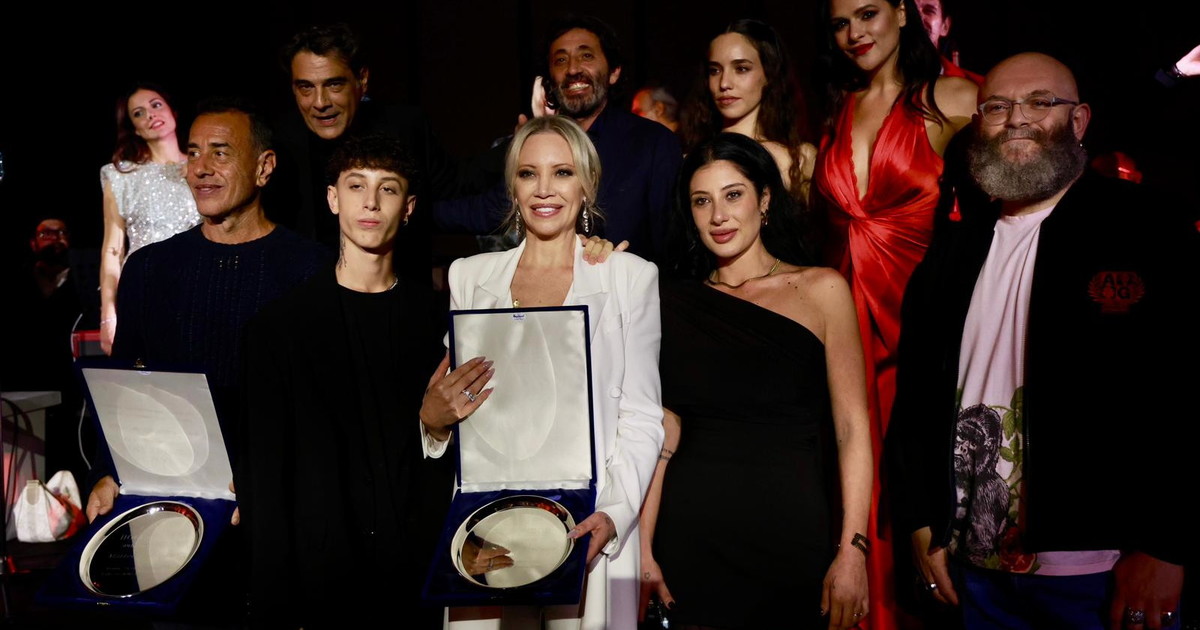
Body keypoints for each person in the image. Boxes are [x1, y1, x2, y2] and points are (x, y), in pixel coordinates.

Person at [888, 52, 1197, 630]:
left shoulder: (1148, 226)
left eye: (1040, 103)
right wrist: (920, 520)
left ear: (1078, 121)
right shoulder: (951, 253)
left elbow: (1189, 393)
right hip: (973, 572)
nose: (1017, 119)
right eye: (997, 106)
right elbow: (914, 402)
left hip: (1103, 572)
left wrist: (1167, 546)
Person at [420, 115, 664, 629]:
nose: (545, 188)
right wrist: (433, 424)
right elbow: (454, 401)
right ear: (513, 186)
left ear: (587, 185)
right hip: (488, 524)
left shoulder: (628, 278)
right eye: (529, 173)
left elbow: (643, 417)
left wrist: (615, 514)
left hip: (589, 520)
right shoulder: (471, 277)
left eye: (563, 172)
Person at [638, 133, 871, 629]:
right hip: (692, 537)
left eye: (733, 194)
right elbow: (664, 433)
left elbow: (852, 429)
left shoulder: (822, 289)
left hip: (791, 537)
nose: (718, 216)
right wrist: (643, 550)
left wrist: (854, 549)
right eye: (702, 201)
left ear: (764, 199)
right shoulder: (671, 302)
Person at [812, 1, 978, 627]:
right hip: (845, 326)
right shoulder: (837, 108)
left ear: (904, 12)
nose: (854, 33)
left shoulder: (952, 98)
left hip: (919, 327)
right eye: (840, 23)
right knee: (854, 480)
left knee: (923, 493)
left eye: (868, 13)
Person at [87, 98, 329, 524]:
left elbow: (324, 406)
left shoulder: (312, 269)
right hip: (171, 510)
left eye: (220, 153)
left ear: (264, 167)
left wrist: (268, 482)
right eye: (194, 152)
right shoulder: (149, 269)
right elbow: (125, 392)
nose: (199, 168)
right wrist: (109, 473)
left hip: (280, 512)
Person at [242, 135, 448, 627]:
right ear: (333, 198)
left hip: (416, 575)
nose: (370, 202)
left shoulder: (437, 320)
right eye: (356, 186)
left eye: (388, 188)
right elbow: (265, 483)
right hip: (320, 584)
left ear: (409, 207)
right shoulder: (279, 328)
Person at [434, 14, 682, 261]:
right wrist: (412, 209)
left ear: (614, 72)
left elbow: (671, 243)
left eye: (586, 56)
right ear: (550, 80)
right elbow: (487, 210)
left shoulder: (653, 143)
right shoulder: (538, 145)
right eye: (561, 60)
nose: (573, 69)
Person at [99, 84, 201, 354]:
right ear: (134, 128)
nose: (150, 115)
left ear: (172, 111)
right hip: (145, 292)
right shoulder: (121, 176)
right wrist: (108, 315)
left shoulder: (202, 168)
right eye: (138, 113)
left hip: (199, 289)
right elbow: (112, 249)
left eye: (156, 105)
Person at [679, 18, 817, 201]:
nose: (724, 83)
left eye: (741, 69)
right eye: (715, 71)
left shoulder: (799, 159)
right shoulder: (689, 161)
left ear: (769, 74)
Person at [912, 0, 983, 85]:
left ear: (945, 26)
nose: (917, 18)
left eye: (929, 11)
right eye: (910, 10)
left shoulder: (978, 88)